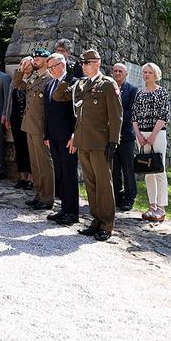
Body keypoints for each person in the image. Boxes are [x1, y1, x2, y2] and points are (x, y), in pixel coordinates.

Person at [52, 49, 122, 241]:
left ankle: (107, 224)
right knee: (91, 185)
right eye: (82, 63)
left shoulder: (107, 84)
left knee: (104, 185)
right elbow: (58, 96)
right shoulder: (81, 84)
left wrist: (114, 142)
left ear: (97, 63)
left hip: (100, 143)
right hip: (84, 141)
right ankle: (96, 220)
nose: (84, 66)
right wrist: (69, 78)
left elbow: (116, 116)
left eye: (87, 63)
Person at [12, 49, 55, 211]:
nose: (35, 60)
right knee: (35, 164)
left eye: (38, 58)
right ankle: (38, 194)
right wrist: (21, 69)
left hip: (40, 126)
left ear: (46, 60)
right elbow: (17, 85)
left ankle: (47, 197)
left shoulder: (49, 77)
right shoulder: (35, 76)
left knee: (44, 163)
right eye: (34, 57)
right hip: (29, 124)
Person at [43, 53, 79, 225]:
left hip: (67, 137)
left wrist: (74, 135)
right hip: (54, 136)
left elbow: (76, 113)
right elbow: (47, 113)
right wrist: (46, 134)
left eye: (52, 67)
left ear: (61, 65)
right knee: (61, 173)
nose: (49, 70)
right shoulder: (49, 85)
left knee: (69, 173)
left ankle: (72, 212)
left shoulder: (74, 83)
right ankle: (64, 208)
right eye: (48, 67)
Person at [132, 63, 170, 221]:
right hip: (141, 134)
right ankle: (152, 206)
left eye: (149, 72)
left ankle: (161, 208)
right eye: (145, 72)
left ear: (156, 74)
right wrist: (138, 134)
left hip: (157, 133)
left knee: (159, 169)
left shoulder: (161, 92)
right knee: (147, 171)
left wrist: (153, 134)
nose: (146, 75)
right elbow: (134, 116)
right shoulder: (139, 93)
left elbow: (164, 115)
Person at [112, 63, 139, 212]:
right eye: (115, 71)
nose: (117, 73)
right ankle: (117, 196)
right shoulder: (108, 87)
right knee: (114, 168)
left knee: (128, 168)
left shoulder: (132, 90)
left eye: (120, 71)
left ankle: (129, 198)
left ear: (126, 74)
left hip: (126, 135)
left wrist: (116, 120)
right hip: (111, 136)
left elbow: (132, 112)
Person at [10, 58, 33, 190]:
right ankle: (23, 176)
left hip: (28, 119)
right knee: (19, 148)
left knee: (29, 149)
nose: (26, 66)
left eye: (28, 63)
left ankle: (31, 178)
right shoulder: (17, 79)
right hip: (16, 119)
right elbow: (12, 96)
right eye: (23, 63)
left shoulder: (34, 78)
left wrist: (25, 76)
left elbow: (26, 87)